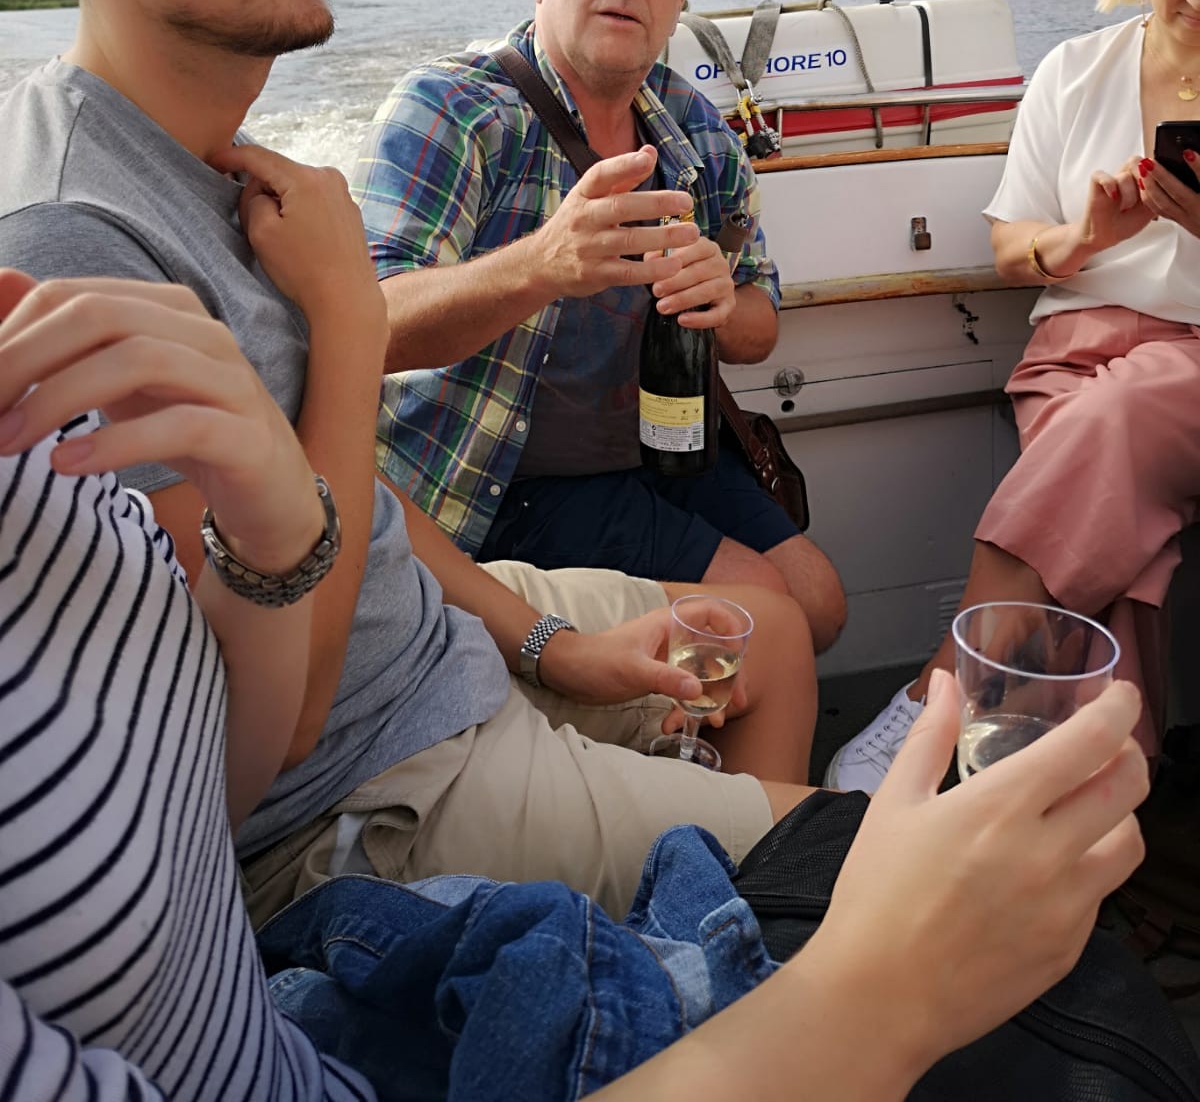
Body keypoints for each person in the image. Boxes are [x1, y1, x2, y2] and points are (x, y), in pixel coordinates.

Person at [0, 0, 818, 929]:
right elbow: (240, 733)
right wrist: (349, 312)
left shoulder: (224, 172)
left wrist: (546, 647)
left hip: (445, 650)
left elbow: (359, 514)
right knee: (846, 865)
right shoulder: (69, 237)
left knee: (771, 635)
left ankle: (705, 926)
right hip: (363, 786)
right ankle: (733, 940)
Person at [0, 270, 1151, 1101]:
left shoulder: (682, 130)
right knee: (954, 920)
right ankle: (758, 890)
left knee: (789, 625)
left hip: (466, 609)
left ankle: (725, 894)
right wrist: (862, 1007)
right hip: (464, 606)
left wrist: (543, 642)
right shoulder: (440, 126)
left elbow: (285, 643)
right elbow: (292, 727)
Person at [353, 0, 846, 652]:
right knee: (766, 617)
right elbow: (366, 325)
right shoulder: (451, 112)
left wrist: (721, 303)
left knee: (821, 603)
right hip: (495, 483)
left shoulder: (698, 135)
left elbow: (760, 329)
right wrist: (544, 265)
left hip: (668, 450)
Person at [827, 0, 1200, 792]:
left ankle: (938, 698)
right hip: (1071, 356)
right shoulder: (1075, 75)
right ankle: (1103, 818)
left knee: (1116, 418)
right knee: (1120, 544)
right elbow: (1009, 248)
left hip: (1188, 367)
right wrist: (1082, 242)